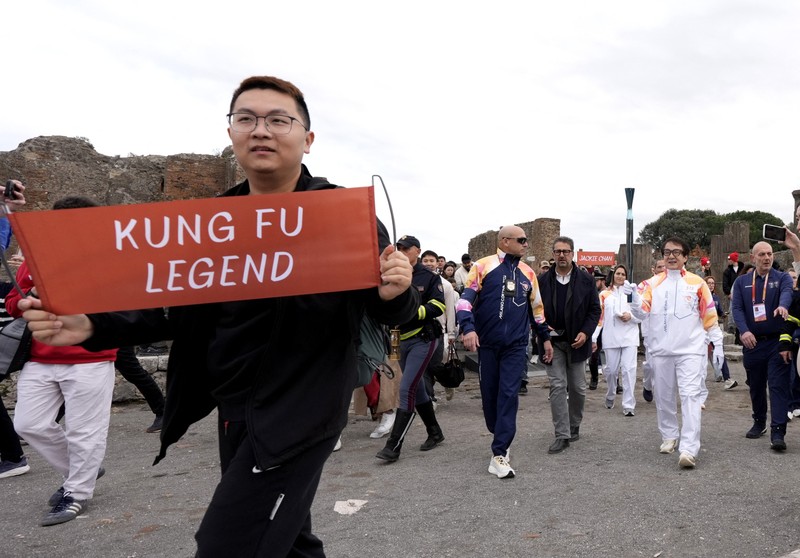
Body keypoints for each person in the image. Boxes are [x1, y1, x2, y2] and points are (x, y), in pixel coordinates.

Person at [18, 76, 417, 556]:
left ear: (307, 139)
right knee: (289, 540)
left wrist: (396, 291)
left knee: (227, 545)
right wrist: (93, 325)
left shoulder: (341, 216)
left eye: (278, 120)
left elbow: (387, 309)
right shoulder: (211, 222)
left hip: (301, 407)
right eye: (245, 119)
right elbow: (174, 309)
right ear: (231, 133)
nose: (260, 130)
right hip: (234, 404)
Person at [8, 196, 119, 525]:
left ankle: (77, 493)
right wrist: (31, 300)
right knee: (28, 424)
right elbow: (14, 301)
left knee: (85, 432)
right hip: (41, 356)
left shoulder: (108, 259)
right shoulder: (37, 256)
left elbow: (120, 306)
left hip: (92, 357)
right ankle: (83, 471)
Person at [457, 226, 552, 478]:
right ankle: (499, 433)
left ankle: (499, 452)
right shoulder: (482, 266)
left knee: (509, 394)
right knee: (490, 398)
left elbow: (538, 310)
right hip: (486, 344)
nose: (526, 244)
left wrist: (545, 340)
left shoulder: (528, 273)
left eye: (526, 240)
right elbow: (465, 301)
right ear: (505, 241)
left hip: (516, 346)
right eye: (521, 240)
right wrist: (468, 328)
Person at [625, 237, 725, 469]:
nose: (671, 256)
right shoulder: (649, 284)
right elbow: (641, 314)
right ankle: (669, 435)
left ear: (685, 257)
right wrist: (632, 298)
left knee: (690, 396)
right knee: (664, 397)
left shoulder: (697, 283)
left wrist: (717, 343)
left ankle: (689, 448)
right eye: (667, 252)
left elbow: (709, 316)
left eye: (677, 252)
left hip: (690, 350)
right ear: (662, 255)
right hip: (661, 350)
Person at [376, 236, 446, 462]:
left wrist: (411, 312)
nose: (403, 251)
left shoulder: (429, 277)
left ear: (418, 251)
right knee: (419, 391)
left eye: (408, 248)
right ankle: (435, 433)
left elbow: (438, 306)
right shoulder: (390, 275)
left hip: (423, 338)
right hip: (400, 339)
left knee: (406, 389)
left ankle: (393, 446)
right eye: (400, 248)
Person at [536, 236, 600, 454]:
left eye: (565, 251)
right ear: (553, 255)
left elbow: (594, 310)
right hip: (551, 343)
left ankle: (574, 425)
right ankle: (561, 434)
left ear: (572, 253)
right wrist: (544, 336)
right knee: (557, 386)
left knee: (578, 388)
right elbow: (535, 312)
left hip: (577, 342)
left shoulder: (586, 280)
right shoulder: (542, 281)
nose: (561, 255)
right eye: (557, 251)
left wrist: (585, 332)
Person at [730, 241, 794, 451]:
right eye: (762, 255)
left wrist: (783, 306)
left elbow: (787, 293)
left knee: (777, 385)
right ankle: (759, 422)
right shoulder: (741, 282)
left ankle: (778, 431)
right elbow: (737, 309)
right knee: (756, 385)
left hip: (777, 342)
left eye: (770, 254)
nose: (767, 258)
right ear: (752, 258)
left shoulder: (782, 277)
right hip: (753, 342)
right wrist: (744, 331)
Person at [592, 264, 641, 416]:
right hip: (611, 337)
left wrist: (631, 317)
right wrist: (594, 337)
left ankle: (628, 405)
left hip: (629, 337)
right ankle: (611, 393)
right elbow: (600, 318)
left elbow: (642, 314)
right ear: (613, 276)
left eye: (623, 274)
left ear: (626, 277)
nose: (620, 276)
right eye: (618, 273)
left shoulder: (632, 293)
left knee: (628, 371)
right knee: (612, 371)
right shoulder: (604, 295)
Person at [419, 249, 457, 402]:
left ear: (437, 263)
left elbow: (450, 310)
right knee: (423, 367)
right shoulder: (416, 280)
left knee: (435, 365)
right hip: (420, 330)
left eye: (431, 261)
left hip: (438, 330)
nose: (428, 264)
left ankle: (448, 382)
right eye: (425, 261)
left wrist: (451, 332)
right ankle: (429, 397)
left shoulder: (446, 285)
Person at [638, 258, 665, 403]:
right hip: (650, 329)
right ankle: (648, 385)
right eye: (659, 267)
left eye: (664, 267)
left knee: (664, 364)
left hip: (667, 330)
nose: (662, 269)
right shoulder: (645, 285)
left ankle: (662, 393)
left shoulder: (672, 283)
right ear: (653, 269)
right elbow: (639, 303)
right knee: (651, 364)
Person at [704, 276, 736, 389]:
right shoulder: (701, 297)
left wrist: (723, 315)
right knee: (701, 355)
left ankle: (727, 379)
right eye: (709, 283)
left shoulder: (716, 298)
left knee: (720, 352)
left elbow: (720, 311)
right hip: (702, 330)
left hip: (714, 329)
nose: (711, 285)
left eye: (713, 283)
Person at [587, 268, 608, 390]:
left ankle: (616, 382)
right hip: (597, 328)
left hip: (609, 327)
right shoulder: (594, 294)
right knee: (594, 355)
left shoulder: (609, 293)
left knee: (612, 356)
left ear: (602, 281)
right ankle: (594, 377)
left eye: (596, 281)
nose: (594, 284)